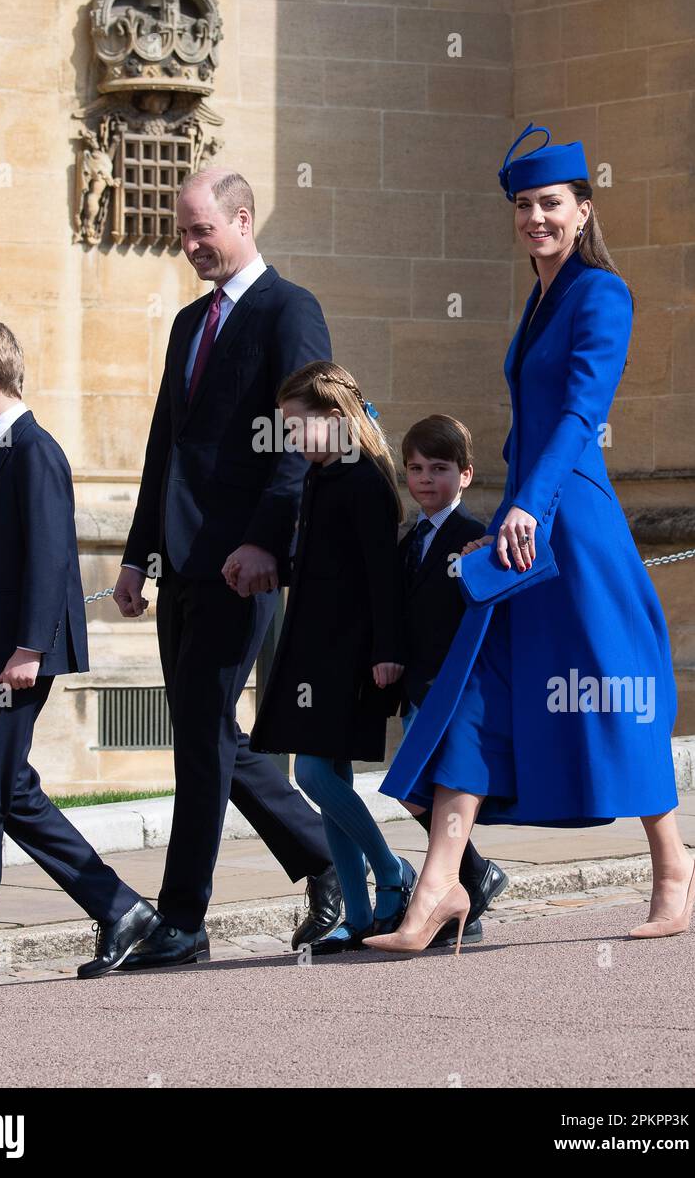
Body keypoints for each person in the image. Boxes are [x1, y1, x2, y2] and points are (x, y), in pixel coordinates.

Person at [365, 123, 695, 956]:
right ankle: (439, 887)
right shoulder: (539, 298)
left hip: (570, 524)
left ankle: (674, 867)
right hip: (527, 519)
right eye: (523, 205)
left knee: (611, 687)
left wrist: (529, 505)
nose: (535, 218)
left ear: (584, 209)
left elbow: (582, 413)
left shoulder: (602, 295)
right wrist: (518, 503)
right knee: (475, 691)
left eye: (551, 203)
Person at [113, 170, 342, 970]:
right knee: (210, 734)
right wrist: (139, 554)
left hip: (244, 564)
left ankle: (182, 919)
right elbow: (163, 445)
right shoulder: (187, 323)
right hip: (179, 562)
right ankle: (332, 862)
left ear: (243, 220)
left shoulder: (290, 308)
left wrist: (266, 542)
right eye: (182, 232)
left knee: (201, 738)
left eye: (201, 230)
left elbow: (305, 435)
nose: (189, 245)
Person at [0, 320, 162, 997]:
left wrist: (29, 648)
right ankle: (123, 910)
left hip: (19, 659)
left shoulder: (32, 451)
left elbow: (49, 557)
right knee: (11, 794)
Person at [249, 362, 413, 954]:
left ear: (335, 420)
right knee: (326, 779)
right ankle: (360, 913)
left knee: (315, 774)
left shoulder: (364, 480)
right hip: (311, 650)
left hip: (351, 654)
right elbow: (323, 563)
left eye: (297, 427)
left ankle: (393, 871)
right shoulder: (322, 477)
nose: (289, 438)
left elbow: (380, 576)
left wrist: (389, 650)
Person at [397, 414, 508, 945]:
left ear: (465, 474)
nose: (425, 478)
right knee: (413, 791)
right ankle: (474, 878)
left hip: (454, 684)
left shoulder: (474, 538)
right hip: (417, 684)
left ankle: (465, 883)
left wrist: (477, 562)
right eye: (415, 468)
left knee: (425, 786)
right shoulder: (408, 540)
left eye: (439, 468)